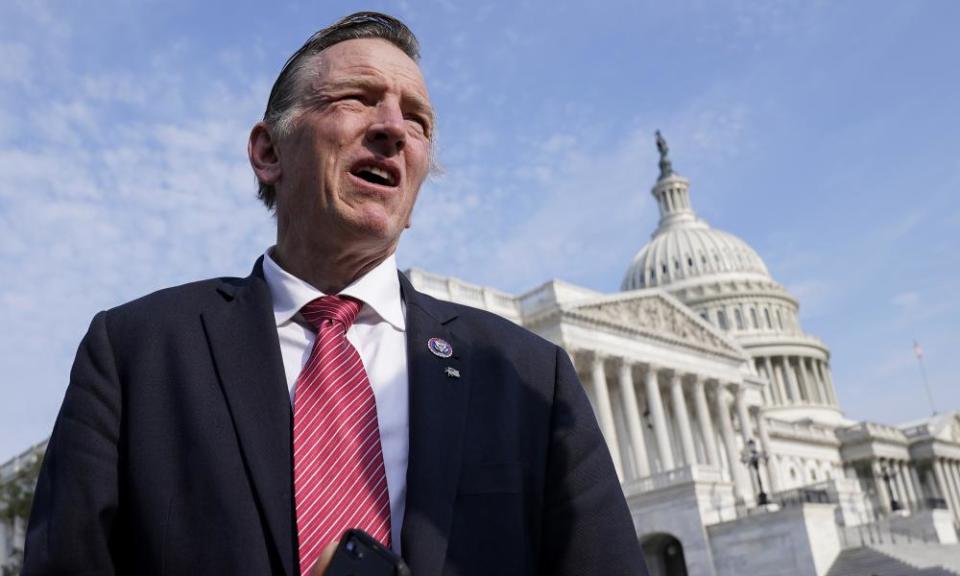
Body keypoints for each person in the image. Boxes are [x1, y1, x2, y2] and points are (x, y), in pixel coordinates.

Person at [22, 12, 648, 576]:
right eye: (358, 98)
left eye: (418, 120)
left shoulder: (528, 376)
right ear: (268, 151)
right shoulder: (137, 353)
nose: (393, 129)